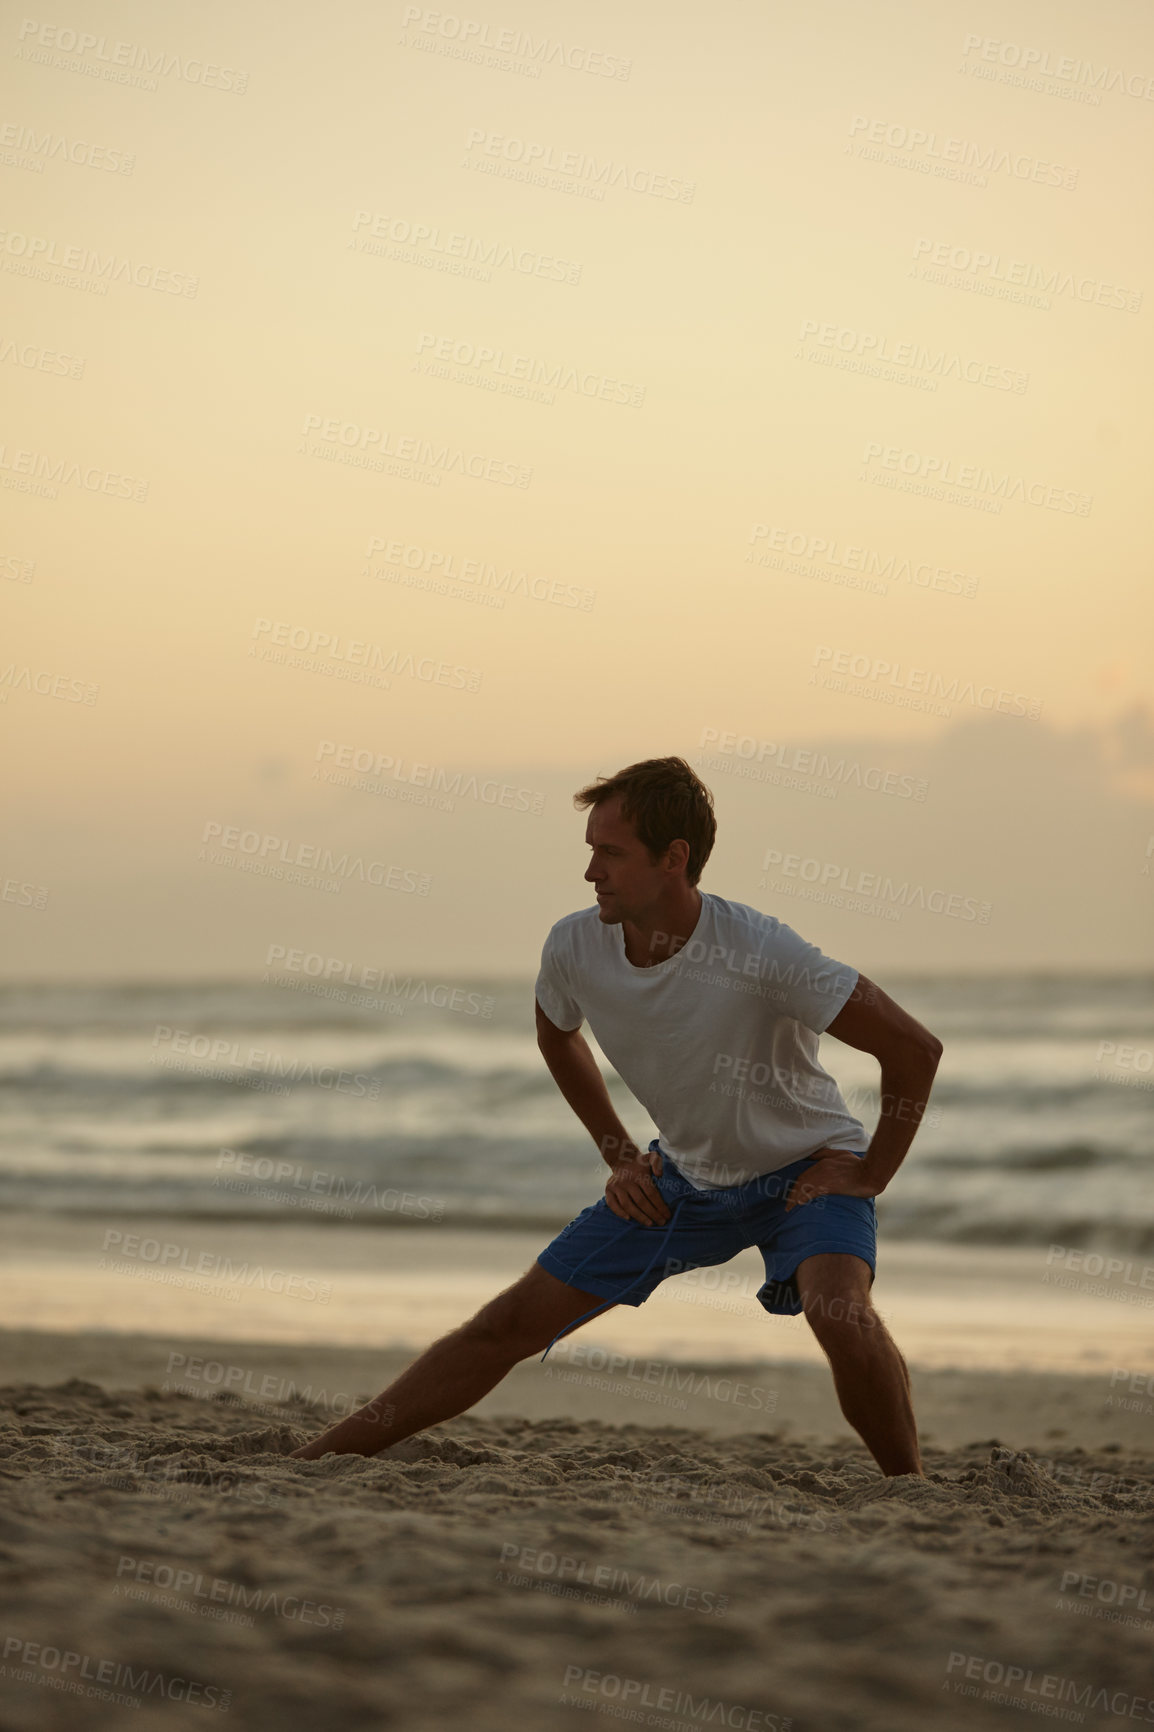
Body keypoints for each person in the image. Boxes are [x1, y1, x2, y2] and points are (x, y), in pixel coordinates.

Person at [291, 756, 942, 1476]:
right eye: (591, 851)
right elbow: (556, 1032)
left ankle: (908, 1489)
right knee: (502, 1327)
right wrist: (619, 1154)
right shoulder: (575, 945)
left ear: (674, 859)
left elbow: (914, 1049)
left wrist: (872, 1173)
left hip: (805, 1176)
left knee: (840, 1314)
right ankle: (319, 1461)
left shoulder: (764, 951)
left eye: (610, 852)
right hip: (682, 1180)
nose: (591, 872)